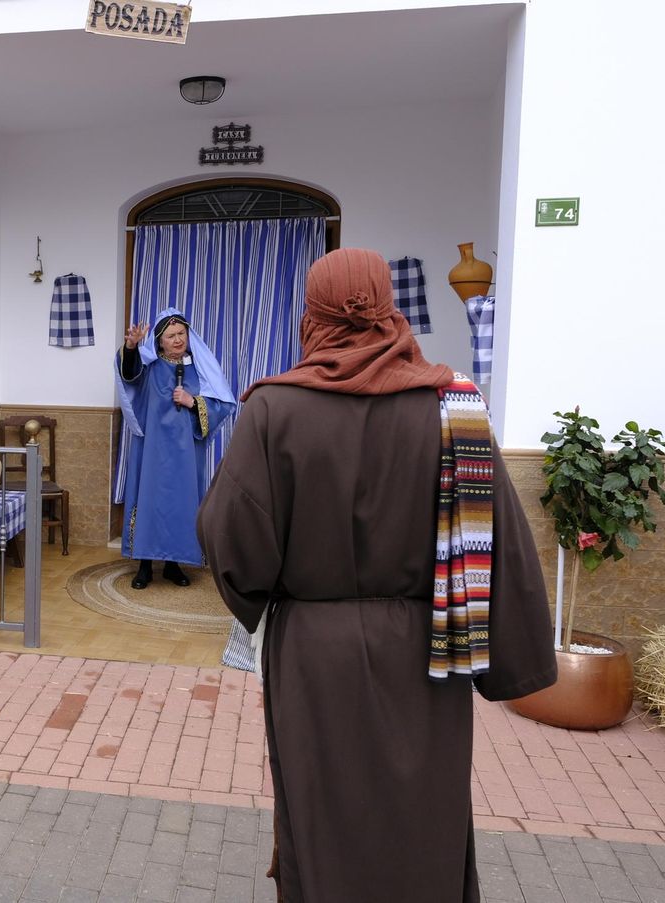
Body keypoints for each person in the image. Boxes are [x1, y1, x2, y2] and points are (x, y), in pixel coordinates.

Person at [195, 248, 557, 902]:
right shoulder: (455, 405)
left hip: (315, 662)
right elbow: (501, 541)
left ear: (313, 314)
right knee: (425, 818)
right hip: (429, 656)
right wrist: (516, 661)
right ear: (387, 308)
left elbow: (233, 543)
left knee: (319, 818)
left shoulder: (276, 409)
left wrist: (264, 593)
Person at [114, 308, 236, 589]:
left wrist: (194, 402)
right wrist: (132, 347)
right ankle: (144, 566)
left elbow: (221, 404)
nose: (178, 339)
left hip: (185, 454)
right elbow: (129, 375)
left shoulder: (200, 369)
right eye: (171, 335)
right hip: (151, 451)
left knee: (179, 505)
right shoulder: (149, 367)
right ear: (159, 341)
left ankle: (173, 564)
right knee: (148, 502)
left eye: (181, 333)